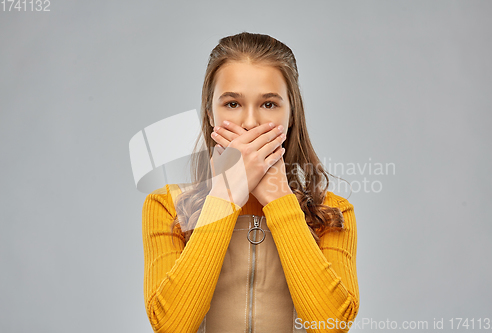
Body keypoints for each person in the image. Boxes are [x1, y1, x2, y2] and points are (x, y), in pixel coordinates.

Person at [142, 32, 359, 333]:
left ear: (291, 115)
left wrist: (280, 199)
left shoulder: (334, 213)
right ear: (209, 114)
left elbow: (332, 325)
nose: (249, 123)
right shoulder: (167, 207)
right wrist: (225, 196)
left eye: (269, 105)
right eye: (232, 104)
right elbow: (171, 326)